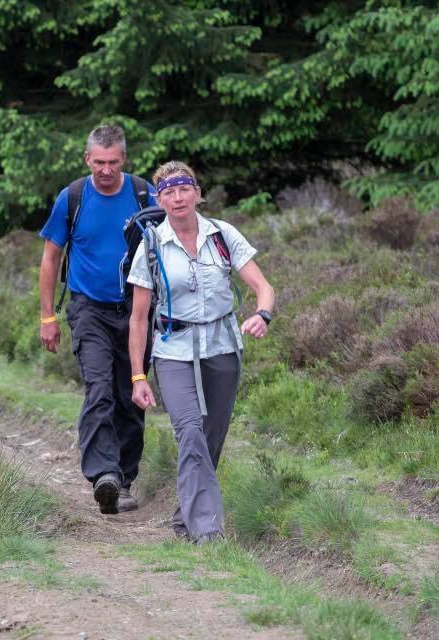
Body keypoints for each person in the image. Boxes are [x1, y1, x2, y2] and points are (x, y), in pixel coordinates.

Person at [127, 160, 274, 543]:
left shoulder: (223, 234)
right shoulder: (152, 245)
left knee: (211, 438)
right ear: (160, 199)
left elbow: (264, 288)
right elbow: (139, 319)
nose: (177, 198)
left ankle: (184, 518)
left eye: (184, 189)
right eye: (168, 192)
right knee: (189, 432)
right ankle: (208, 531)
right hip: (173, 351)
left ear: (197, 192)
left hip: (224, 347)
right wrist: (138, 376)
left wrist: (263, 315)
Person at [38, 124, 156, 514]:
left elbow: (166, 247)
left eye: (113, 162)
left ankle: (123, 479)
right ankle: (103, 474)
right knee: (99, 388)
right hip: (88, 308)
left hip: (137, 310)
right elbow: (51, 258)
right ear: (87, 159)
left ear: (124, 159)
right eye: (99, 162)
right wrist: (47, 316)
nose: (106, 170)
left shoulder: (143, 195)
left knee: (130, 394)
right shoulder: (71, 198)